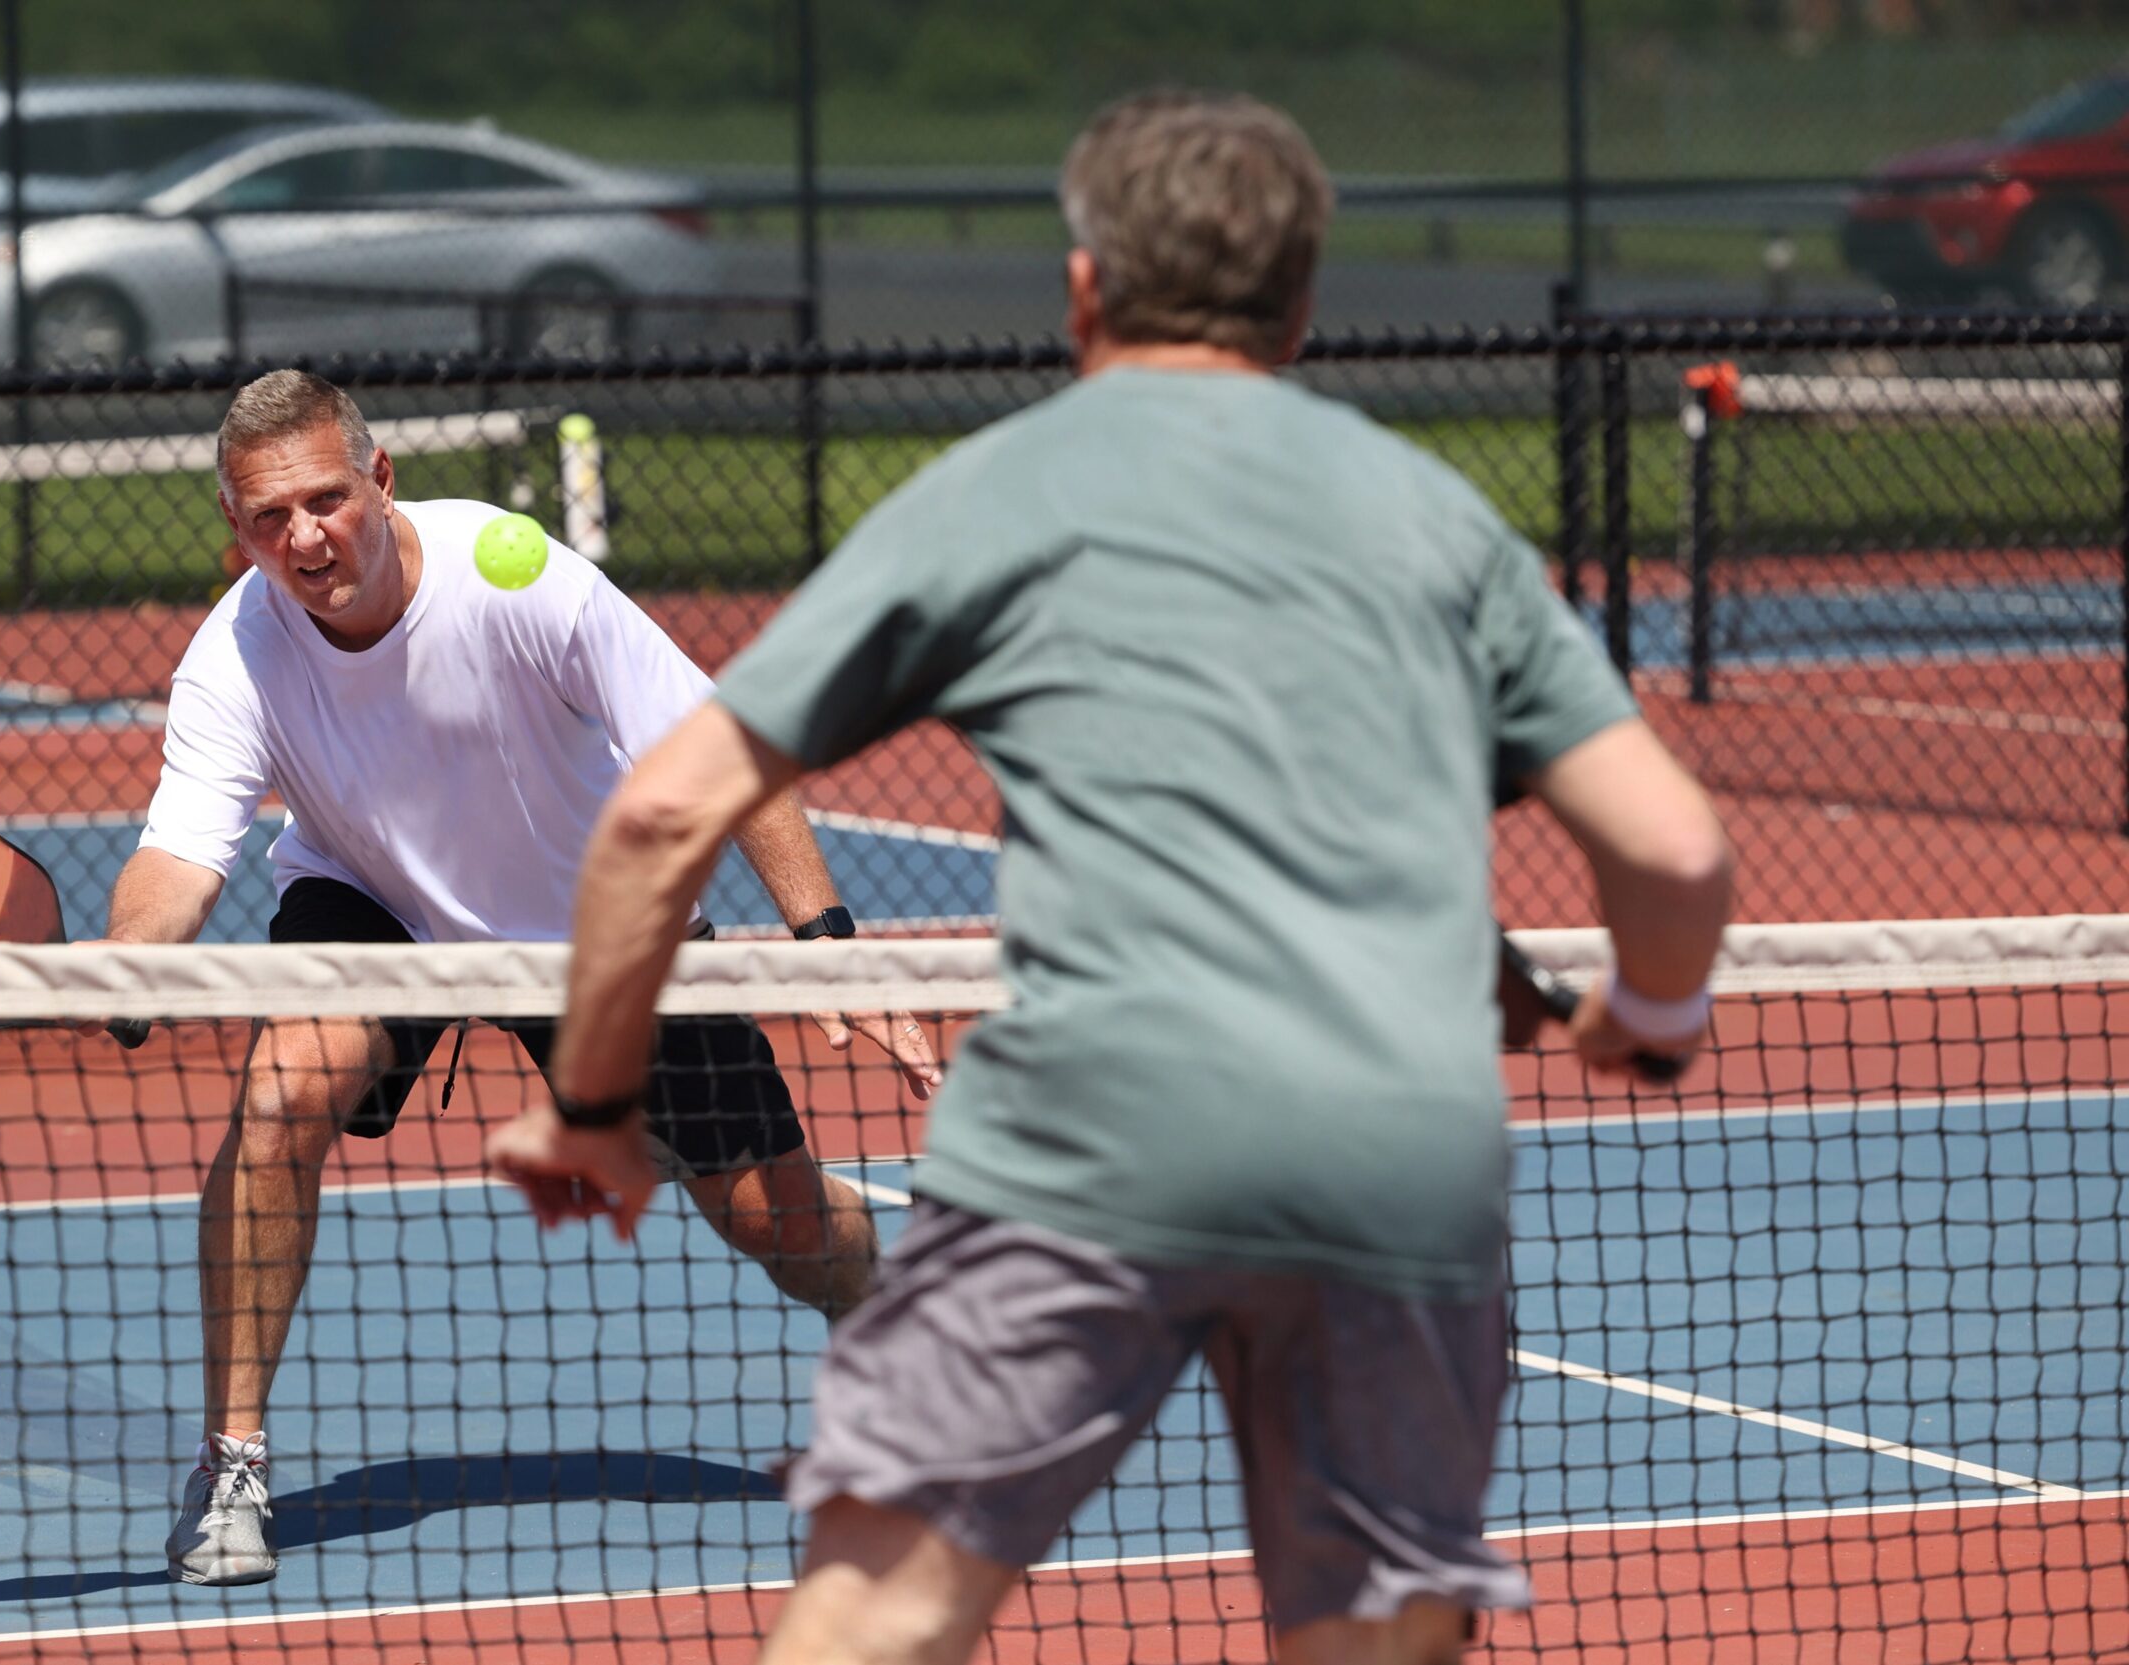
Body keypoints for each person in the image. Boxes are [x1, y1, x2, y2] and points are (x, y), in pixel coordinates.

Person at [487, 90, 1735, 1665]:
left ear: (1084, 287)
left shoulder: (999, 490)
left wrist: (595, 1111)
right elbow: (1677, 846)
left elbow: (663, 819)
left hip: (1088, 1140)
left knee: (881, 1611)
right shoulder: (1440, 519)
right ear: (1300, 306)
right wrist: (1655, 1006)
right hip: (1393, 1155)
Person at [108, 369, 942, 1588]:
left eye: (325, 500)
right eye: (267, 517)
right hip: (378, 903)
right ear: (234, 530)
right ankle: (231, 1462)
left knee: (780, 1222)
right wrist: (128, 967)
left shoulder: (514, 573)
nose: (303, 537)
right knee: (288, 1089)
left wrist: (827, 943)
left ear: (380, 481)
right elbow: (177, 861)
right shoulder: (235, 652)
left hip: (594, 921)